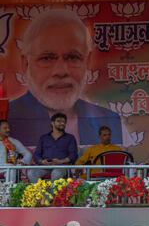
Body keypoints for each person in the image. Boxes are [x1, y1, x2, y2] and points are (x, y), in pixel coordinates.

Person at [8, 8, 123, 147]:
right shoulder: (9, 117)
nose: (61, 71)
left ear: (87, 62)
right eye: (47, 58)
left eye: (73, 57)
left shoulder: (108, 119)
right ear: (25, 64)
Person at [30, 113, 78, 183]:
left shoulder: (70, 138)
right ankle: (40, 193)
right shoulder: (44, 138)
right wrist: (42, 161)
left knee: (56, 173)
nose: (62, 123)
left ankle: (53, 194)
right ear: (52, 123)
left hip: (61, 167)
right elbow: (36, 154)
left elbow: (73, 155)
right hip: (45, 166)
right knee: (32, 173)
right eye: (59, 121)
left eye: (64, 122)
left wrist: (61, 161)